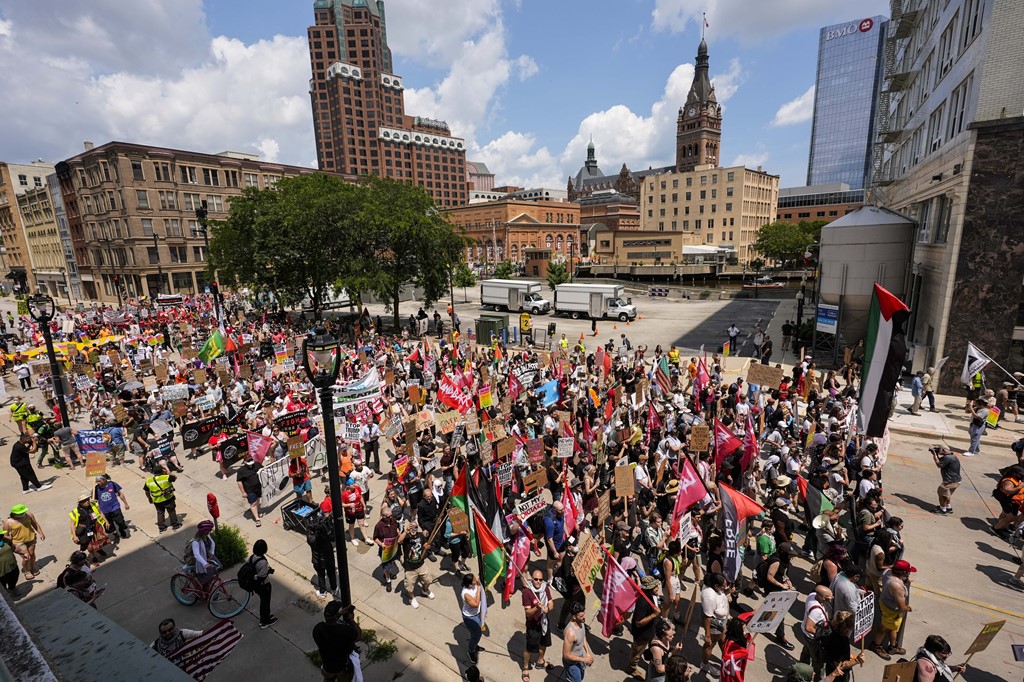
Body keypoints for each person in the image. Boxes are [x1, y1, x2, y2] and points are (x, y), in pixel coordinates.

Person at [872, 559, 915, 660]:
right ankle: (876, 645)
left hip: (885, 602)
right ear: (904, 573)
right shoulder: (897, 586)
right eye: (908, 572)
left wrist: (904, 580)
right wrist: (908, 608)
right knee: (883, 628)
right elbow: (902, 606)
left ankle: (893, 647)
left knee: (893, 627)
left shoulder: (887, 572)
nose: (909, 573)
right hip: (891, 610)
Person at [758, 542, 798, 650]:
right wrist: (782, 585)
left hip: (779, 588)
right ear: (782, 552)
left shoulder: (785, 560)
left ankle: (762, 623)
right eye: (789, 554)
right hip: (773, 589)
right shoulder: (776, 561)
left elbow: (783, 574)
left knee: (772, 609)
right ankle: (780, 637)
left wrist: (787, 580)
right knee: (780, 612)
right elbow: (770, 577)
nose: (790, 556)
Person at [312, 601, 361, 682]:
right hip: (342, 668)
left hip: (328, 667)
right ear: (335, 616)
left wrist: (339, 614)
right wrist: (351, 620)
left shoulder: (318, 629)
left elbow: (330, 621)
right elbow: (358, 636)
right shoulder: (345, 630)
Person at [522, 570, 555, 678]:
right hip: (533, 625)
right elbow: (527, 613)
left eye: (540, 579)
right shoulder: (527, 592)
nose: (538, 582)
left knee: (544, 643)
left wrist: (547, 608)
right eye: (536, 579)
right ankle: (526, 667)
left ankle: (540, 661)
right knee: (530, 649)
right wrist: (536, 607)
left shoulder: (545, 587)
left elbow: (551, 603)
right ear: (532, 579)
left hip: (544, 622)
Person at [628, 576, 662, 678]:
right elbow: (638, 622)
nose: (657, 588)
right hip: (642, 634)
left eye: (657, 586)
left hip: (651, 630)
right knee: (636, 653)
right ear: (649, 589)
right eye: (655, 587)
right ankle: (632, 669)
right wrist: (653, 615)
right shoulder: (642, 602)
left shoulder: (651, 595)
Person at [398, 519, 434, 609]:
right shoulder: (406, 538)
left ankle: (425, 590)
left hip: (421, 564)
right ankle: (411, 598)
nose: (413, 530)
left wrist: (426, 546)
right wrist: (406, 531)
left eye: (415, 528)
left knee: (429, 580)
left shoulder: (421, 535)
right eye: (412, 528)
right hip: (410, 568)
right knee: (409, 587)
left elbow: (425, 544)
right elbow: (399, 541)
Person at [798, 586, 833, 679]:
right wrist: (823, 635)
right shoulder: (816, 611)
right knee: (818, 661)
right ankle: (816, 678)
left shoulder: (812, 595)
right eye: (828, 599)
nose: (830, 600)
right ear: (821, 597)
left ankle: (801, 669)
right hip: (812, 638)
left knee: (807, 651)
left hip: (806, 636)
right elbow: (809, 627)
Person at [3, 505, 44, 579]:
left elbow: (35, 524)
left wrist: (41, 533)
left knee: (32, 555)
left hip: (31, 538)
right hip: (18, 542)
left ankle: (32, 567)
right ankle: (27, 571)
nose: (23, 514)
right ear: (15, 514)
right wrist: (11, 544)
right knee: (26, 557)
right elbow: (5, 535)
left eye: (23, 512)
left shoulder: (29, 515)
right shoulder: (8, 522)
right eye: (21, 513)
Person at [701, 572, 731, 676]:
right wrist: (708, 635)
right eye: (724, 586)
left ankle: (726, 660)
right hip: (715, 625)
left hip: (723, 622)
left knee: (723, 641)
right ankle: (704, 664)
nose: (725, 587)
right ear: (716, 586)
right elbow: (707, 617)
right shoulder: (709, 596)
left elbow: (722, 597)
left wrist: (728, 591)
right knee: (710, 645)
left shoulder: (718, 589)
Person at [821, 611, 861, 682]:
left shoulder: (830, 629)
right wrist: (857, 660)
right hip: (838, 675)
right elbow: (841, 665)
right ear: (848, 629)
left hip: (829, 666)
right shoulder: (842, 642)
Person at [69, 491, 109, 561]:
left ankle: (99, 550)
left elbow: (100, 513)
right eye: (84, 501)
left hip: (96, 527)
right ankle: (93, 557)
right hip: (85, 531)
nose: (87, 502)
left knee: (99, 541)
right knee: (89, 546)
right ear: (80, 503)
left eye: (87, 500)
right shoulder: (76, 512)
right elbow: (73, 525)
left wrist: (106, 521)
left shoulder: (94, 505)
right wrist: (74, 536)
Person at [246, 539, 277, 628]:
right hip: (264, 585)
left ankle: (265, 617)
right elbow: (262, 576)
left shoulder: (252, 557)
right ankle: (265, 621)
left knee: (263, 602)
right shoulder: (263, 562)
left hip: (256, 585)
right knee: (265, 603)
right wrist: (269, 571)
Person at [562, 602, 594, 682]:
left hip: (580, 658)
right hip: (571, 664)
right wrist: (584, 660)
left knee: (580, 678)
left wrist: (588, 653)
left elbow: (583, 637)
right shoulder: (570, 633)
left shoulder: (581, 622)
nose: (584, 617)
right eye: (581, 616)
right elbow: (566, 655)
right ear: (574, 617)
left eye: (584, 614)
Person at [94, 474, 130, 540]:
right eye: (96, 482)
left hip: (115, 506)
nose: (97, 483)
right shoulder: (96, 488)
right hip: (104, 510)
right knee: (109, 526)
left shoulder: (112, 484)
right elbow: (95, 499)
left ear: (104, 480)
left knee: (120, 522)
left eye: (99, 481)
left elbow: (120, 494)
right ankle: (115, 533)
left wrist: (126, 504)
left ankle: (122, 530)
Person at [461, 572, 486, 664]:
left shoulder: (473, 584)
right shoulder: (466, 594)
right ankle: (471, 651)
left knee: (477, 633)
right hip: (470, 618)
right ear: (469, 584)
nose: (476, 582)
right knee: (476, 635)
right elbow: (475, 604)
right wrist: (478, 590)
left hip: (476, 614)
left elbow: (480, 575)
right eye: (474, 581)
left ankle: (474, 645)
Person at [647, 618, 682, 682]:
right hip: (657, 676)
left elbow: (667, 650)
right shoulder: (656, 649)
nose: (673, 637)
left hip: (665, 668)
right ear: (663, 636)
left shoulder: (664, 638)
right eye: (670, 636)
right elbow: (659, 669)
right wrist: (674, 666)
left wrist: (675, 649)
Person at [187, 520, 220, 585]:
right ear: (203, 531)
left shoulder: (207, 535)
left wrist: (212, 553)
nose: (209, 532)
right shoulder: (196, 541)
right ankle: (201, 593)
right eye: (208, 530)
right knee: (204, 580)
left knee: (214, 573)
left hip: (207, 557)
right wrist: (205, 564)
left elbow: (212, 543)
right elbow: (197, 555)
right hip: (198, 562)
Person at [931, 445, 961, 514]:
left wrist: (935, 455)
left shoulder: (948, 458)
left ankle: (943, 510)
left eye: (940, 450)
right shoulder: (951, 456)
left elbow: (939, 465)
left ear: (944, 450)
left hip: (950, 482)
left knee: (941, 493)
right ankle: (948, 507)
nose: (939, 451)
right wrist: (936, 454)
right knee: (947, 494)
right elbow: (940, 461)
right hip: (955, 481)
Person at [236, 452, 264, 526]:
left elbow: (264, 471)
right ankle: (257, 519)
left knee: (258, 500)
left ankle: (257, 512)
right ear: (245, 462)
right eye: (248, 460)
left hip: (259, 487)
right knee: (253, 503)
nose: (250, 461)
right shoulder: (241, 471)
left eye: (251, 459)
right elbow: (239, 482)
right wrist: (243, 492)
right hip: (249, 490)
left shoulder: (257, 464)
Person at [720, 617, 750, 682]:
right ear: (738, 631)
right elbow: (728, 658)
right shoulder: (733, 645)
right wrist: (745, 651)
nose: (746, 633)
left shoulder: (730, 639)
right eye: (744, 630)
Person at [0, 528, 19, 592]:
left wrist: (24, 553)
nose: (3, 535)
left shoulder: (6, 541)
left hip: (12, 566)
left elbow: (14, 548)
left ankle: (12, 588)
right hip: (1, 572)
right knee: (2, 587)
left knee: (14, 577)